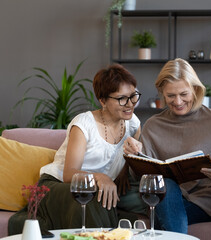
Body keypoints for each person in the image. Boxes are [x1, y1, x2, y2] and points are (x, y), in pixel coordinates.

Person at [8, 64, 147, 234]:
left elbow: (132, 158)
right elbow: (68, 174)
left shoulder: (133, 123)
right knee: (92, 196)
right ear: (103, 100)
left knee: (146, 196)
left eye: (133, 96)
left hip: (99, 190)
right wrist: (100, 177)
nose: (130, 104)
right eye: (122, 99)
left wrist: (126, 168)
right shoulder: (84, 124)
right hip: (58, 186)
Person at [124, 58, 211, 234]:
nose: (177, 101)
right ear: (161, 93)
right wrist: (134, 156)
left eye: (184, 94)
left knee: (164, 216)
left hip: (207, 203)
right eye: (171, 95)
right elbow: (141, 176)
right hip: (166, 199)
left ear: (195, 90)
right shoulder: (153, 125)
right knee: (165, 185)